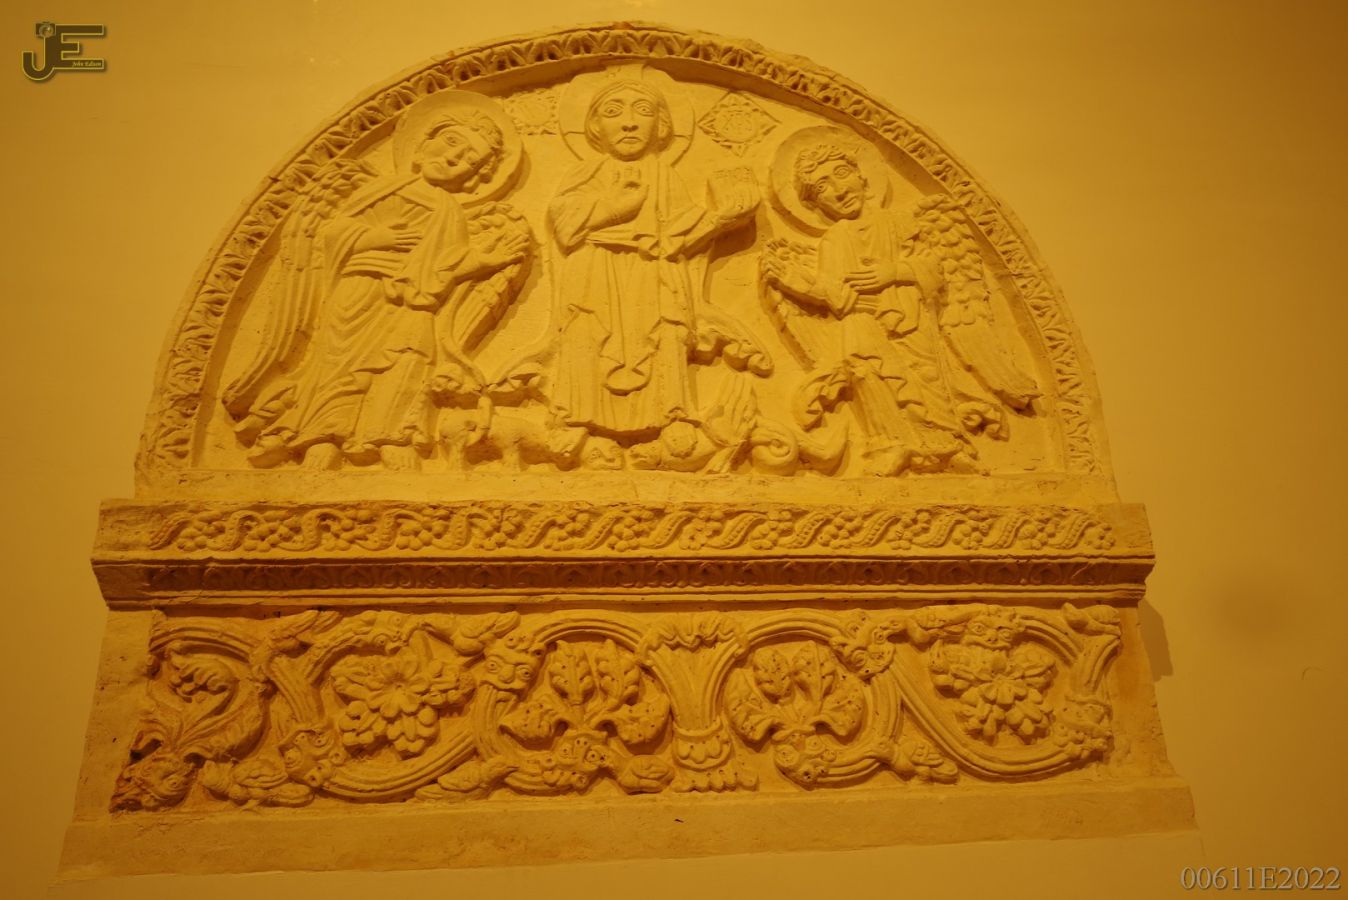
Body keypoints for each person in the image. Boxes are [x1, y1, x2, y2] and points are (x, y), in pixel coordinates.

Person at [229, 106, 528, 469]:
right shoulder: (382, 189)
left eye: (469, 159)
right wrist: (375, 237)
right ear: (424, 142)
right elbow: (333, 234)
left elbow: (446, 267)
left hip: (412, 305)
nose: (454, 158)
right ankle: (322, 439)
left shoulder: (448, 212)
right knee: (340, 367)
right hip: (361, 292)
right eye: (452, 142)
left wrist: (482, 261)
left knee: (409, 362)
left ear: (473, 177)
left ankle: (391, 438)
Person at [763, 138, 1019, 475]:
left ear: (861, 175)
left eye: (842, 174)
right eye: (823, 187)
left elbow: (934, 269)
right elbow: (835, 292)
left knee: (926, 376)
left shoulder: (902, 222)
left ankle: (949, 447)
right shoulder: (835, 239)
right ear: (815, 204)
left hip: (910, 319)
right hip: (861, 321)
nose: (839, 190)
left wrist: (893, 272)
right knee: (867, 373)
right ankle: (890, 445)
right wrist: (795, 282)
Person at [546, 79, 757, 464]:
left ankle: (671, 414)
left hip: (653, 272)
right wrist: (614, 207)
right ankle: (577, 415)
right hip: (595, 271)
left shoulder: (664, 175)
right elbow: (564, 226)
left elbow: (680, 236)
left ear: (661, 126)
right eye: (613, 112)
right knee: (586, 332)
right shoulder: (584, 173)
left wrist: (723, 218)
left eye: (642, 112)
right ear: (594, 127)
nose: (629, 122)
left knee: (665, 330)